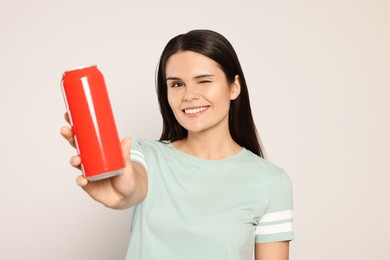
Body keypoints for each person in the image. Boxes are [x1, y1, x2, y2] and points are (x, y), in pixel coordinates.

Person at [61, 29, 294, 260]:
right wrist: (123, 192)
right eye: (176, 84)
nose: (188, 95)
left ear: (234, 87)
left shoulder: (271, 182)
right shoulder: (145, 154)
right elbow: (134, 186)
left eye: (203, 81)